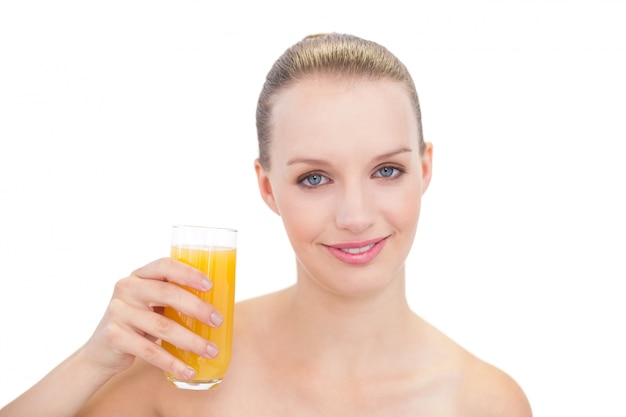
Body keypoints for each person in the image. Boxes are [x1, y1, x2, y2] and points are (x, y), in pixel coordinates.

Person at [0, 33, 532, 416]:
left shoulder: (484, 403)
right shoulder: (188, 365)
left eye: (386, 170)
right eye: (315, 179)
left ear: (426, 169)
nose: (356, 216)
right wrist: (91, 363)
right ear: (267, 187)